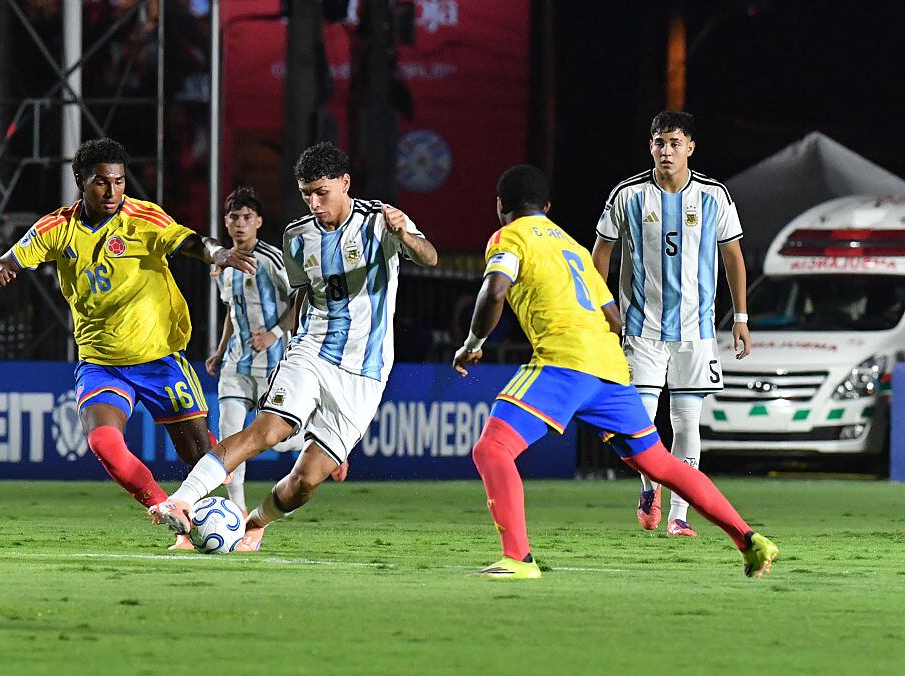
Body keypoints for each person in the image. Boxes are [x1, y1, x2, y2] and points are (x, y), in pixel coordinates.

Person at [453, 164, 777, 579]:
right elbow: (612, 316)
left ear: (500, 205)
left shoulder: (509, 236)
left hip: (563, 361)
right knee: (661, 464)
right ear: (547, 207)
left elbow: (495, 289)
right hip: (610, 367)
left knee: (492, 449)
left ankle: (518, 559)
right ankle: (749, 539)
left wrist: (472, 344)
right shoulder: (571, 246)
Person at [149, 141, 439, 550]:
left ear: (345, 183)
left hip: (365, 370)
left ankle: (254, 522)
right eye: (306, 194)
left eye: (322, 192)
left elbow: (429, 258)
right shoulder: (297, 235)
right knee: (266, 431)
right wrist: (289, 348)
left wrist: (404, 235)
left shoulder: (380, 221)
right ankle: (182, 500)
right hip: (312, 348)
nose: (315, 203)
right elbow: (303, 296)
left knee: (306, 480)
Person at [0, 137, 256, 549]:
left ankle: (235, 515)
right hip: (101, 363)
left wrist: (217, 253)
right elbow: (8, 260)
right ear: (80, 181)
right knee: (104, 442)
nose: (112, 191)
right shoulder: (58, 228)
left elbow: (192, 242)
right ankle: (169, 510)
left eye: (119, 181)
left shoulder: (143, 218)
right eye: (101, 182)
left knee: (205, 459)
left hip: (159, 359)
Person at [591, 111, 752, 538]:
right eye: (660, 142)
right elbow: (601, 252)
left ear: (690, 148)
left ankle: (679, 515)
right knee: (638, 424)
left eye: (675, 143)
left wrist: (740, 317)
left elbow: (733, 255)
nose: (667, 151)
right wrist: (602, 311)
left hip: (696, 331)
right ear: (650, 146)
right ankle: (650, 489)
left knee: (686, 422)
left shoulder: (714, 195)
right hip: (641, 328)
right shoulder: (627, 194)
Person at [205, 186, 307, 513]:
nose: (240, 223)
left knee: (277, 440)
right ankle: (236, 512)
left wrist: (274, 334)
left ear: (259, 222)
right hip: (237, 364)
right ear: (226, 221)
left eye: (247, 217)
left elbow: (300, 298)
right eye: (234, 217)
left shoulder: (272, 259)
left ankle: (307, 439)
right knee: (230, 438)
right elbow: (232, 312)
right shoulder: (224, 265)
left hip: (274, 365)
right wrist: (220, 351)